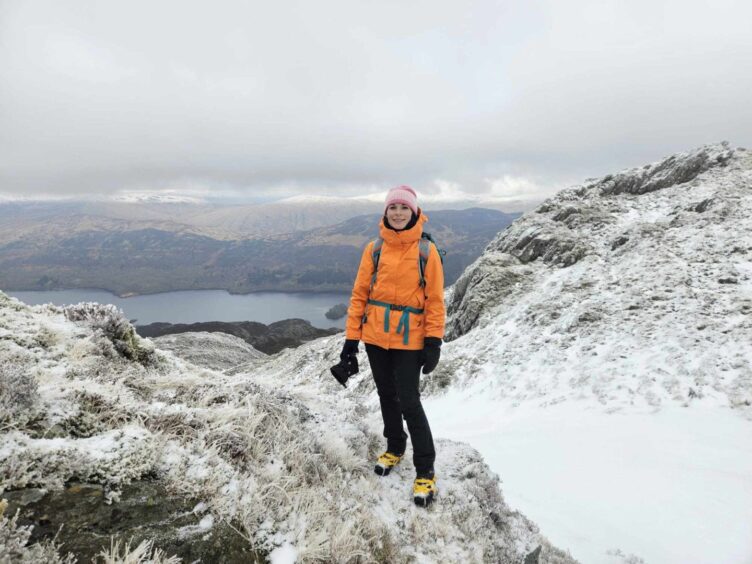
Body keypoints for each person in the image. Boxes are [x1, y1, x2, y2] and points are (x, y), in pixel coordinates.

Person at [340, 185, 445, 507]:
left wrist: (433, 341)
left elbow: (435, 301)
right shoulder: (374, 249)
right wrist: (350, 340)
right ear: (385, 213)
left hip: (409, 339)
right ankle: (395, 446)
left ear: (414, 213)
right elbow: (360, 294)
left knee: (409, 401)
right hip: (375, 337)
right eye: (392, 208)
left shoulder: (427, 252)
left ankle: (425, 469)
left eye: (404, 208)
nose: (398, 213)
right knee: (386, 394)